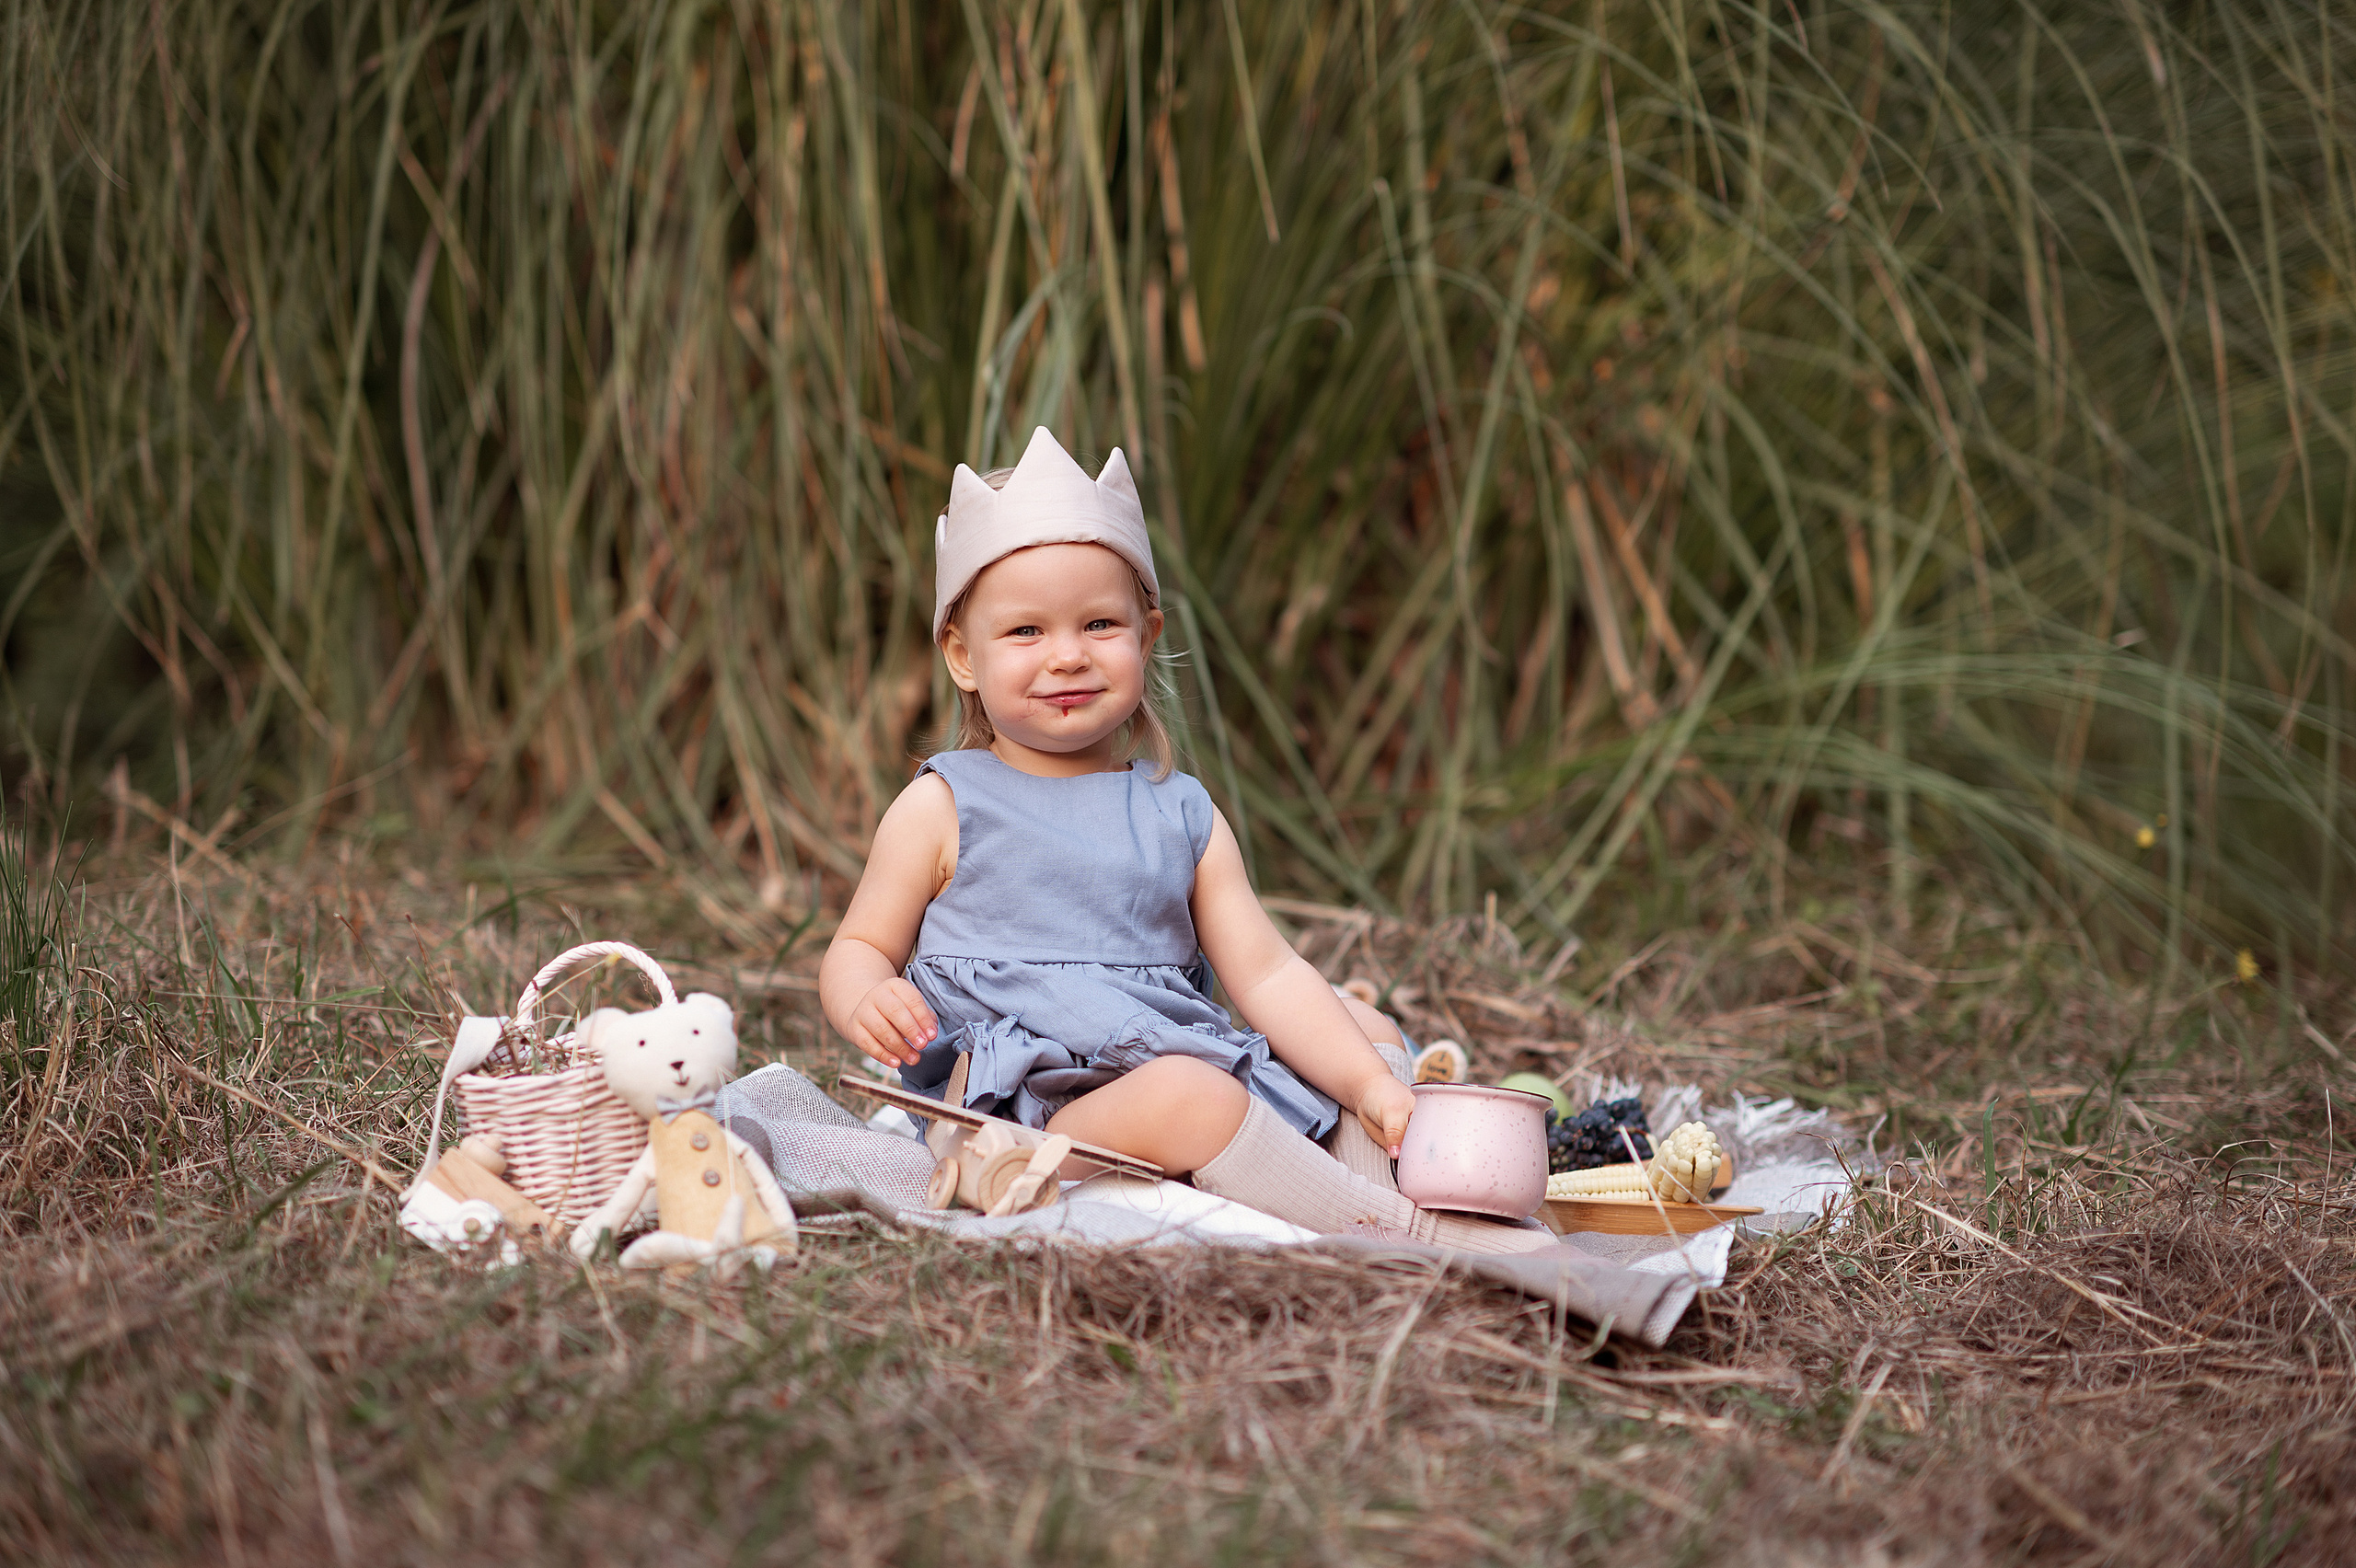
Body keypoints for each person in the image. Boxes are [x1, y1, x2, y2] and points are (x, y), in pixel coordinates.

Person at [817, 427, 1556, 1253]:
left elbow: (1268, 973)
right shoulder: (943, 805)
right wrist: (867, 997)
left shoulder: (1180, 811)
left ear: (1145, 634)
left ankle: (1396, 1178)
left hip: (1165, 1070)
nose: (1067, 657)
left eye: (1099, 623)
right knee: (1195, 1098)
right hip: (1025, 1112)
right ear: (962, 655)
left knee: (1364, 1035)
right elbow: (856, 948)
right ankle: (1397, 1233)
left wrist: (1370, 1082)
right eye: (1025, 632)